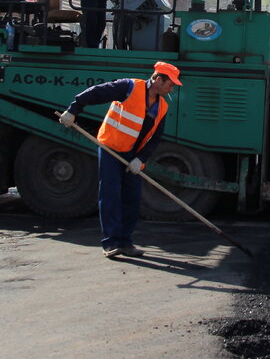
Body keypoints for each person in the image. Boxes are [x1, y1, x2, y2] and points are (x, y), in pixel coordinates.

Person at [58, 61, 181, 258]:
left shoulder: (162, 107)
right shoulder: (129, 87)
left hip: (133, 155)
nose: (172, 88)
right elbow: (97, 92)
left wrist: (140, 159)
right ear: (158, 79)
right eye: (170, 84)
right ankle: (111, 242)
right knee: (110, 195)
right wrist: (73, 110)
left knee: (132, 198)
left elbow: (155, 138)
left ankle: (126, 242)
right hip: (111, 149)